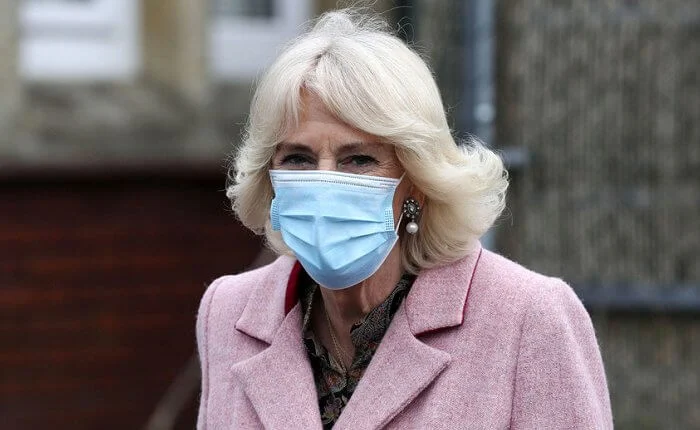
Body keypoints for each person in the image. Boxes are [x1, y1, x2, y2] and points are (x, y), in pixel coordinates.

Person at [196, 9, 612, 430]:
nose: (324, 183)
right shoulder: (228, 311)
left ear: (415, 183)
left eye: (358, 159)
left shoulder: (529, 318)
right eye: (298, 159)